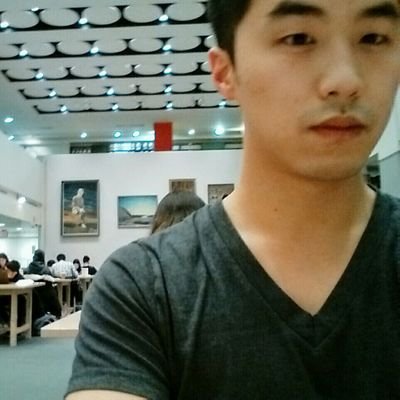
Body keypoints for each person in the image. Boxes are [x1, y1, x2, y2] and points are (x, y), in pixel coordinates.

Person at [66, 0, 400, 398]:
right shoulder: (143, 287)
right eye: (298, 38)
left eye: (373, 38)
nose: (345, 80)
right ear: (226, 72)